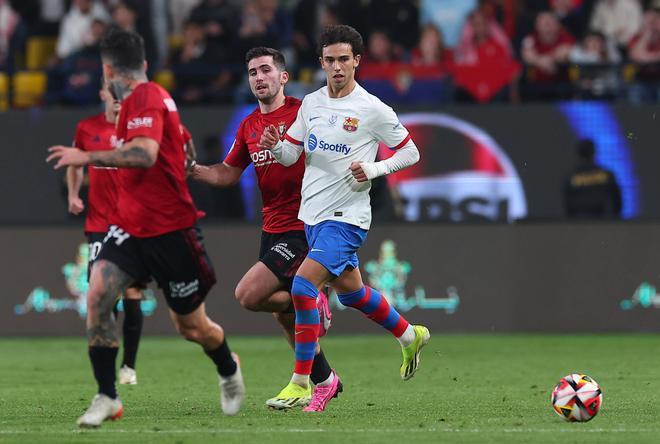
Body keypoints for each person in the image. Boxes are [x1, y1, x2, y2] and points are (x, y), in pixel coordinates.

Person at [46, 28, 244, 427]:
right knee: (98, 293)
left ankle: (227, 366)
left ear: (107, 71)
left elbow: (144, 153)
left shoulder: (146, 97)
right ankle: (107, 395)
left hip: (172, 231)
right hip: (129, 228)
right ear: (145, 65)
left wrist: (86, 155)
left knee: (192, 328)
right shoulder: (149, 102)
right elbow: (180, 145)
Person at [258, 24, 430, 413]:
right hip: (312, 216)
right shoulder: (312, 104)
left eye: (344, 60)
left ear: (357, 62)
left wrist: (373, 169)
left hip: (347, 218)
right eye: (330, 60)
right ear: (321, 62)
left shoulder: (372, 109)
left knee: (303, 286)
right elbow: (291, 155)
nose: (337, 67)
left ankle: (302, 382)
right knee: (352, 294)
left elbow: (411, 153)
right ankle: (409, 335)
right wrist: (276, 147)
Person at [192, 46, 339, 411]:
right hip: (271, 228)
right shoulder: (248, 126)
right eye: (253, 72)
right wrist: (191, 169)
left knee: (248, 294)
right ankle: (324, 379)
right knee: (285, 313)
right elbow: (227, 173)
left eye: (265, 70)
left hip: (304, 225)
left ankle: (314, 303)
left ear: (283, 77)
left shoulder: (304, 113)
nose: (259, 77)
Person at [66, 81, 145, 386]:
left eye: (122, 99)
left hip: (130, 225)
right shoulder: (87, 128)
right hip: (99, 227)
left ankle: (129, 366)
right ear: (102, 96)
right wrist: (74, 194)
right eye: (113, 98)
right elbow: (74, 162)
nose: (117, 103)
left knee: (133, 293)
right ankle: (109, 364)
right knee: (102, 295)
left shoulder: (136, 131)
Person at [563, 138, 622, 219]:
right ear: (594, 152)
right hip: (603, 223)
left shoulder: (571, 177)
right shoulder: (606, 175)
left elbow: (567, 205)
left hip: (579, 223)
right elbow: (617, 202)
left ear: (578, 154)